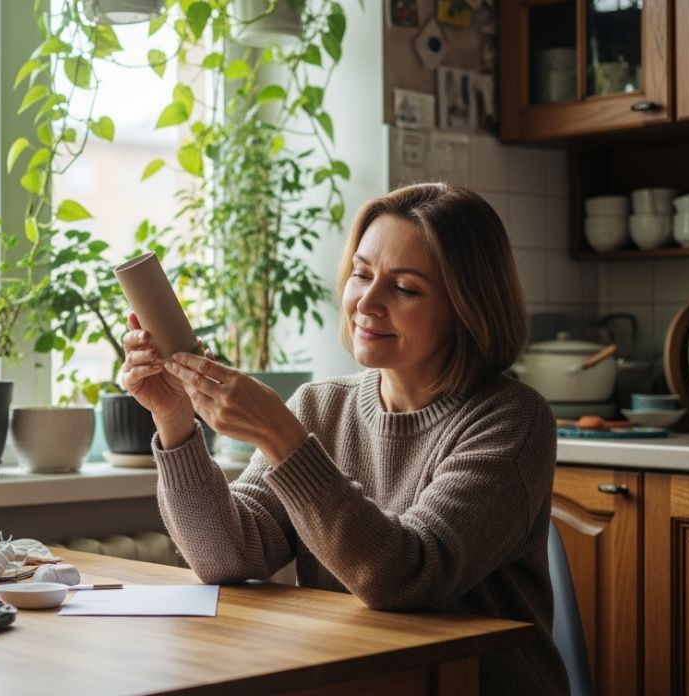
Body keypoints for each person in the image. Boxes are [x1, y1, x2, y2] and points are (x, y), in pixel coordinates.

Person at [120, 183, 568, 695]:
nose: (366, 303)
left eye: (405, 288)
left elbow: (406, 575)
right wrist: (175, 420)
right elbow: (227, 557)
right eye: (361, 274)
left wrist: (281, 436)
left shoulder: (511, 419)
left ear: (467, 309)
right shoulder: (321, 405)